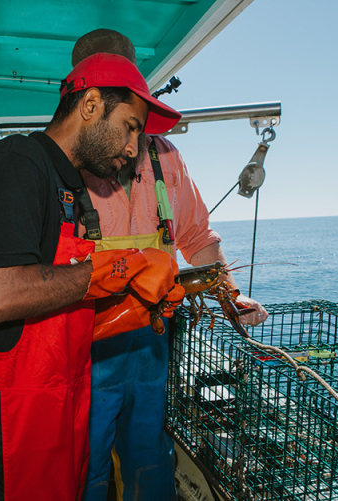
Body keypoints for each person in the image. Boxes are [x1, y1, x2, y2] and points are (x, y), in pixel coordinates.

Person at [0, 51, 187, 501]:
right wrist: (126, 266)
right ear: (90, 106)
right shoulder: (16, 163)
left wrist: (137, 309)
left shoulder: (69, 190)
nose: (132, 148)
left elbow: (56, 313)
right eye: (130, 126)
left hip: (49, 410)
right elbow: (1, 296)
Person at [70, 30, 269, 501]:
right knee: (84, 462)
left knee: (150, 454)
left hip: (153, 342)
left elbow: (198, 238)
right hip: (84, 343)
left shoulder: (165, 157)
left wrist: (230, 296)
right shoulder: (59, 160)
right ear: (87, 99)